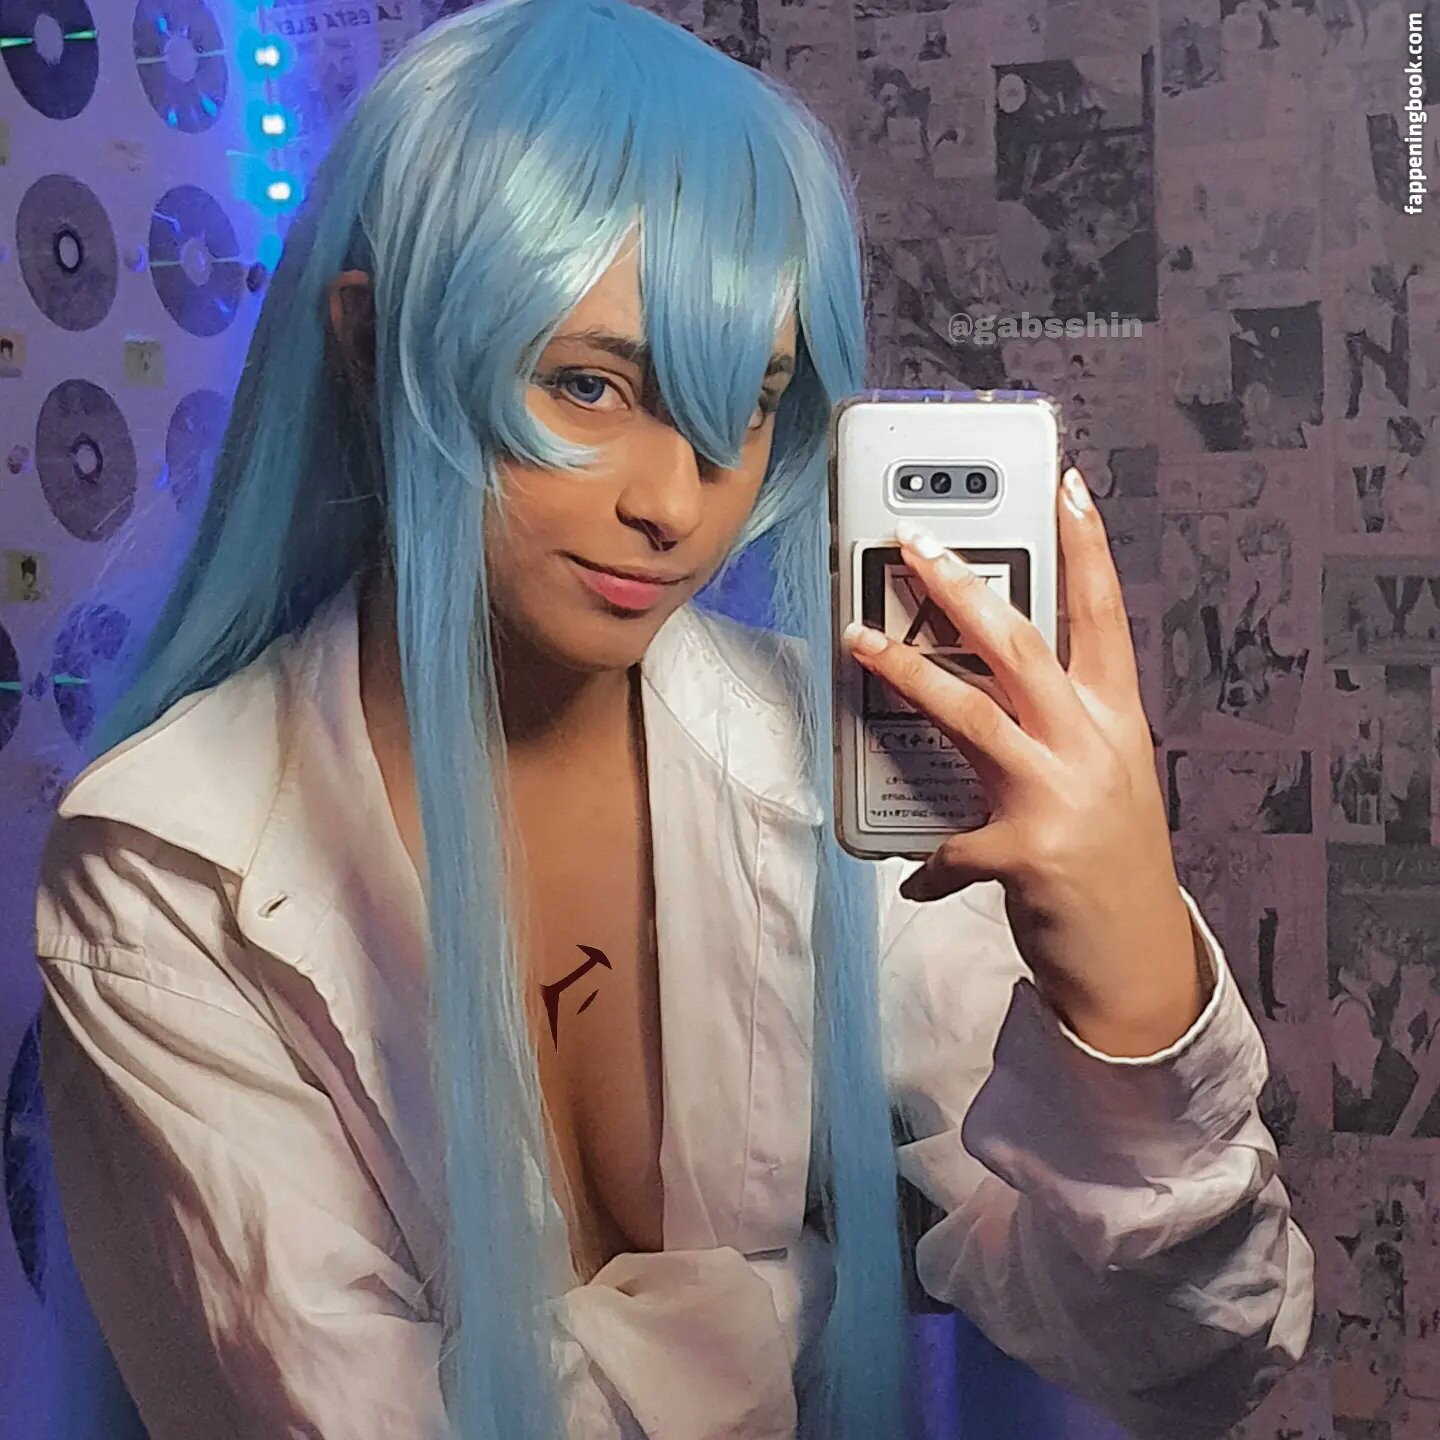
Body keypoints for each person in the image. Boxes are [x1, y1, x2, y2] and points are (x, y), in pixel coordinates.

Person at [30, 2, 1314, 1438]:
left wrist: (1133, 994)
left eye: (744, 404)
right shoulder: (167, 865)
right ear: (370, 349)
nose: (676, 503)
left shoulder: (827, 765)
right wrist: (791, 1300)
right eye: (588, 386)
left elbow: (1189, 1357)